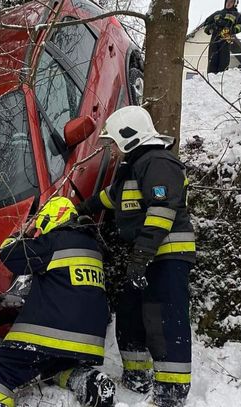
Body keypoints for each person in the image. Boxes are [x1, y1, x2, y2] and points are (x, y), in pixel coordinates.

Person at [77, 106, 195, 407]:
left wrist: (141, 255)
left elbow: (161, 210)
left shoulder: (158, 162)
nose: (111, 150)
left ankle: (171, 392)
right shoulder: (133, 167)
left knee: (163, 320)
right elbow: (111, 198)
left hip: (166, 255)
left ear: (129, 137)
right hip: (144, 256)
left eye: (113, 142)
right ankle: (137, 377)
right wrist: (78, 211)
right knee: (131, 315)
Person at [0, 197, 115, 407]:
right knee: (55, 366)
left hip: (51, 334)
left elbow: (8, 255)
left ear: (51, 219)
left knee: (0, 367)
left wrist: (24, 233)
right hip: (88, 342)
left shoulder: (53, 242)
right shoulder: (93, 247)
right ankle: (89, 382)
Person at [203, 0, 241, 74]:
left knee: (224, 61)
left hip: (226, 38)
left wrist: (231, 30)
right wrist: (212, 27)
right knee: (212, 60)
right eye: (227, 2)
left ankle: (221, 78)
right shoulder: (217, 13)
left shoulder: (237, 15)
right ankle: (210, 77)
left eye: (231, 2)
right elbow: (205, 25)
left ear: (235, 4)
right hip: (214, 39)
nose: (228, 4)